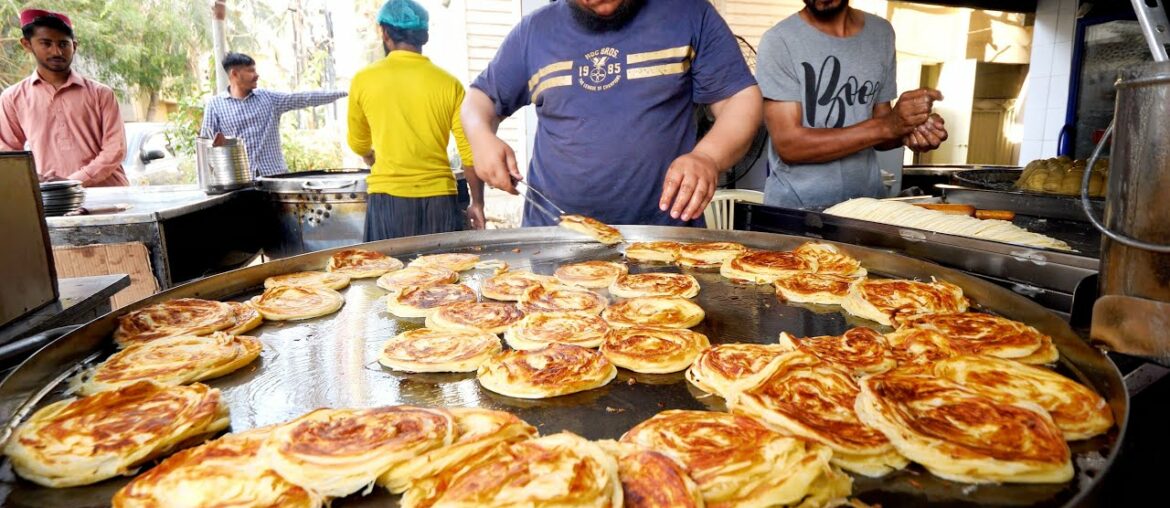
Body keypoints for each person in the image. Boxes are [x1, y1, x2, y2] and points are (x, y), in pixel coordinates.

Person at [462, 0, 763, 227]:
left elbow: (739, 98)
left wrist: (707, 157)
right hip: (553, 240)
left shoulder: (690, 13)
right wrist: (481, 138)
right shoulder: (534, 31)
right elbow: (480, 99)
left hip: (663, 239)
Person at [757, 0, 948, 209]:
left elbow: (881, 134)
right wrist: (889, 126)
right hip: (796, 213)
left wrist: (914, 129)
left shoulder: (880, 34)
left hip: (865, 208)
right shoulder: (780, 40)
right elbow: (790, 145)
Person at [348, 0, 483, 241]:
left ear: (384, 32)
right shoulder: (448, 83)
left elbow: (358, 143)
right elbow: (469, 152)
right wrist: (478, 203)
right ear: (424, 35)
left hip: (388, 201)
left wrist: (370, 157)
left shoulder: (364, 80)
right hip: (440, 200)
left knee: (386, 275)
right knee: (443, 276)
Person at [0, 9, 128, 187]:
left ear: (74, 46)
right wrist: (33, 180)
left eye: (63, 44)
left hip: (108, 197)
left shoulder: (101, 94)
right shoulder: (12, 98)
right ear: (27, 44)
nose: (57, 52)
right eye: (46, 43)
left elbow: (115, 150)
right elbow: (8, 154)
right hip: (53, 202)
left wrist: (72, 181)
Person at [199, 52, 347, 177]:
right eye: (250, 71)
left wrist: (345, 93)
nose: (256, 75)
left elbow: (304, 98)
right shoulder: (215, 105)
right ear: (235, 74)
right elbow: (206, 146)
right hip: (239, 183)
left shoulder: (269, 99)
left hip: (276, 179)